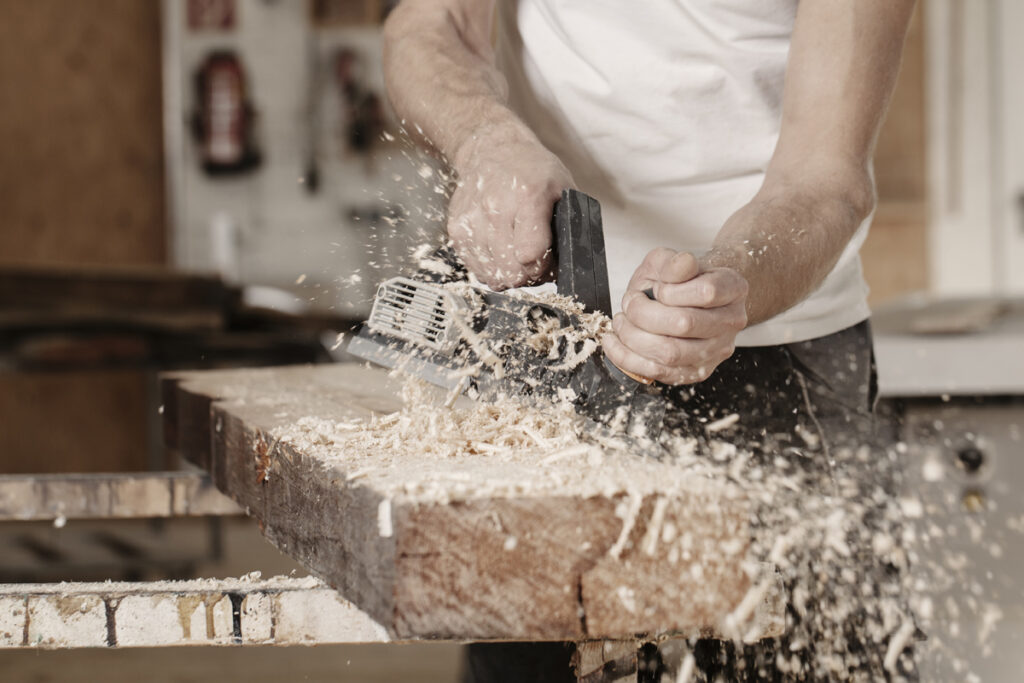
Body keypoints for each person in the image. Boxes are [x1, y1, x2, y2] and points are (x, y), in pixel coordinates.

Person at [381, 1, 917, 680]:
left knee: (809, 653)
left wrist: (725, 286)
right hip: (551, 345)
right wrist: (485, 139)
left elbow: (824, 180)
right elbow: (430, 27)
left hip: (777, 354)